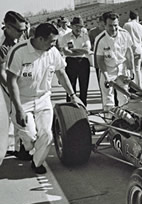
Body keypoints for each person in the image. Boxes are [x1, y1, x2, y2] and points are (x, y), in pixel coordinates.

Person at [6, 23, 84, 174]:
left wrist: (73, 96)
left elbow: (61, 74)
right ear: (40, 39)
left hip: (43, 98)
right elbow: (11, 81)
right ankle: (29, 147)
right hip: (22, 99)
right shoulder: (19, 52)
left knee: (47, 135)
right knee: (29, 134)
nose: (54, 44)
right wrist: (18, 108)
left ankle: (37, 162)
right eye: (51, 41)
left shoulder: (52, 52)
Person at [0, 11, 28, 165]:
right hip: (4, 83)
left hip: (16, 80)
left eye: (24, 30)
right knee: (8, 115)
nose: (22, 33)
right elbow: (2, 73)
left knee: (19, 112)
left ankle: (19, 147)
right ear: (8, 27)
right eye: (19, 30)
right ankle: (8, 148)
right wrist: (12, 91)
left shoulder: (19, 37)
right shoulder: (1, 44)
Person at [94, 12, 135, 111]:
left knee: (124, 96)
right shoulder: (100, 39)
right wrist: (106, 76)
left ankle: (125, 120)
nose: (113, 29)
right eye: (110, 26)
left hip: (122, 67)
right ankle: (109, 121)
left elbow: (129, 53)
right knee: (108, 99)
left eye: (115, 25)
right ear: (104, 25)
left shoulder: (125, 34)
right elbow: (99, 60)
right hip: (108, 69)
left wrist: (131, 69)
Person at [59, 16, 91, 106]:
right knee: (70, 87)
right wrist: (80, 50)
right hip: (71, 62)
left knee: (84, 87)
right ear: (72, 26)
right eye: (76, 26)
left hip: (83, 62)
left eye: (80, 26)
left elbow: (87, 51)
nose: (78, 28)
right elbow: (66, 52)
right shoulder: (66, 37)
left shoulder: (85, 36)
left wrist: (73, 50)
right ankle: (70, 107)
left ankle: (83, 107)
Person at [123, 10, 142, 88]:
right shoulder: (140, 26)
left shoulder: (127, 25)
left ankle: (131, 87)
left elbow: (124, 37)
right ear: (137, 17)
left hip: (130, 48)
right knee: (137, 69)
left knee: (129, 68)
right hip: (139, 48)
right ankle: (139, 86)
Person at [88, 16, 105, 82]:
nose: (103, 26)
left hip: (109, 58)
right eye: (102, 24)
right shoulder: (92, 32)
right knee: (101, 80)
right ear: (99, 23)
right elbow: (90, 45)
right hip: (98, 59)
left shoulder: (108, 31)